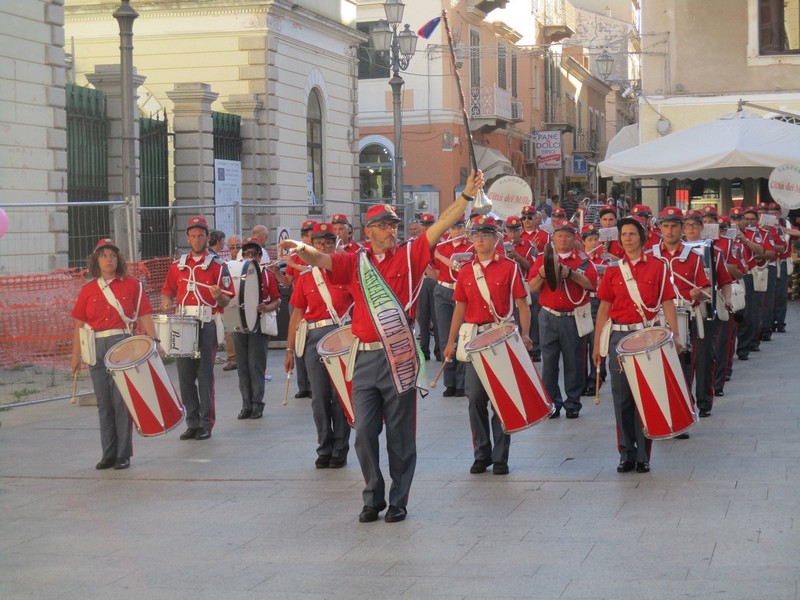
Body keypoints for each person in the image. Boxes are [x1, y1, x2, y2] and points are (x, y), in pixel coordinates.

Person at [278, 169, 485, 524]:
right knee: (364, 433)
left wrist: (465, 196)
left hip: (398, 356)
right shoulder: (355, 263)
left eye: (393, 224)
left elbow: (441, 224)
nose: (391, 230)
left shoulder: (411, 255)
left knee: (401, 436)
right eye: (384, 225)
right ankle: (372, 494)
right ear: (368, 231)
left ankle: (398, 499)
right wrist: (302, 248)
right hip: (364, 359)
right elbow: (322, 260)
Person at [592, 217, 682, 474]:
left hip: (647, 336)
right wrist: (598, 345)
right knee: (621, 399)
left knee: (646, 396)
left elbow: (667, 303)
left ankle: (643, 454)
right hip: (619, 338)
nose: (627, 238)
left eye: (632, 234)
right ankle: (626, 453)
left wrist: (675, 336)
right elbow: (604, 310)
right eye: (624, 234)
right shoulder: (611, 271)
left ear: (642, 238)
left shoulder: (658, 266)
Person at [444, 216, 531, 475]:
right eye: (475, 235)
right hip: (474, 338)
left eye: (485, 234)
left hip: (500, 337)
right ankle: (481, 453)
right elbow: (460, 308)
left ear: (496, 238)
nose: (479, 239)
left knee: (501, 399)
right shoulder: (467, 271)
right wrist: (450, 341)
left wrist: (526, 334)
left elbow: (522, 304)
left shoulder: (509, 268)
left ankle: (500, 456)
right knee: (475, 398)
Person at [71, 238, 160, 470]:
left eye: (112, 255)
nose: (108, 259)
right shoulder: (88, 289)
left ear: (118, 259)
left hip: (122, 344)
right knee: (103, 402)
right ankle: (107, 453)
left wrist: (155, 343)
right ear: (96, 260)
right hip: (95, 345)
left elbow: (145, 316)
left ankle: (123, 454)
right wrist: (75, 354)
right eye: (103, 255)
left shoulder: (132, 285)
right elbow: (79, 324)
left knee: (122, 401)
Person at [285, 222, 353, 468]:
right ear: (310, 247)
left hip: (341, 335)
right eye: (318, 244)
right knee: (319, 397)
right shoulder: (304, 278)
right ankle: (324, 446)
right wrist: (289, 349)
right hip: (314, 336)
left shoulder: (346, 273)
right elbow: (296, 314)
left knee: (340, 395)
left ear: (335, 245)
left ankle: (340, 449)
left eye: (327, 243)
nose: (323, 247)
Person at [160, 217, 234, 441]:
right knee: (184, 376)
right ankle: (191, 421)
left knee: (204, 375)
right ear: (187, 238)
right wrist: (165, 302)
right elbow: (168, 291)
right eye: (192, 236)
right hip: (183, 323)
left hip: (205, 323)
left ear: (207, 237)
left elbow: (226, 301)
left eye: (201, 235)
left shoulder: (218, 266)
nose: (197, 239)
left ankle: (206, 422)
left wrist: (218, 296)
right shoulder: (178, 266)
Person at [529, 222, 597, 419]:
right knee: (549, 362)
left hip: (572, 316)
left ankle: (573, 403)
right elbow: (532, 287)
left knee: (573, 361)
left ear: (574, 239)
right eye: (559, 236)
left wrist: (571, 274)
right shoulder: (543, 259)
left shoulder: (583, 260)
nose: (563, 239)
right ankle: (551, 402)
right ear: (554, 238)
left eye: (567, 236)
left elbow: (592, 284)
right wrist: (542, 274)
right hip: (548, 315)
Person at [232, 237, 281, 420]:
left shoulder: (266, 274)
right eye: (247, 253)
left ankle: (257, 404)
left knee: (256, 366)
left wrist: (267, 307)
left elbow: (277, 299)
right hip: (240, 324)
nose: (251, 256)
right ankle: (246, 404)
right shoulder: (235, 274)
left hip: (259, 324)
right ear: (242, 255)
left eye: (255, 254)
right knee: (242, 367)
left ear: (261, 257)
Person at [433, 215, 472, 396]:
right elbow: (433, 270)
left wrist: (439, 256)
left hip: (461, 292)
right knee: (444, 337)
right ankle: (450, 382)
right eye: (453, 228)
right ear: (448, 230)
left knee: (460, 336)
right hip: (442, 291)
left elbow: (459, 268)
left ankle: (462, 382)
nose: (456, 231)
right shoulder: (441, 245)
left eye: (459, 227)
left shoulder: (470, 247)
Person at [416, 213, 441, 362]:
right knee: (422, 319)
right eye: (424, 225)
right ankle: (423, 351)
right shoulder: (415, 243)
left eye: (429, 225)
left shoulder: (440, 243)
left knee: (438, 320)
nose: (426, 228)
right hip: (420, 283)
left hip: (435, 282)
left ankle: (439, 351)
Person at [222, 234, 242, 371]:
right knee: (229, 331)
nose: (235, 250)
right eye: (232, 247)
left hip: (244, 300)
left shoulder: (246, 262)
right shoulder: (224, 263)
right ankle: (232, 358)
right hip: (229, 301)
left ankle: (243, 358)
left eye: (238, 247)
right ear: (228, 248)